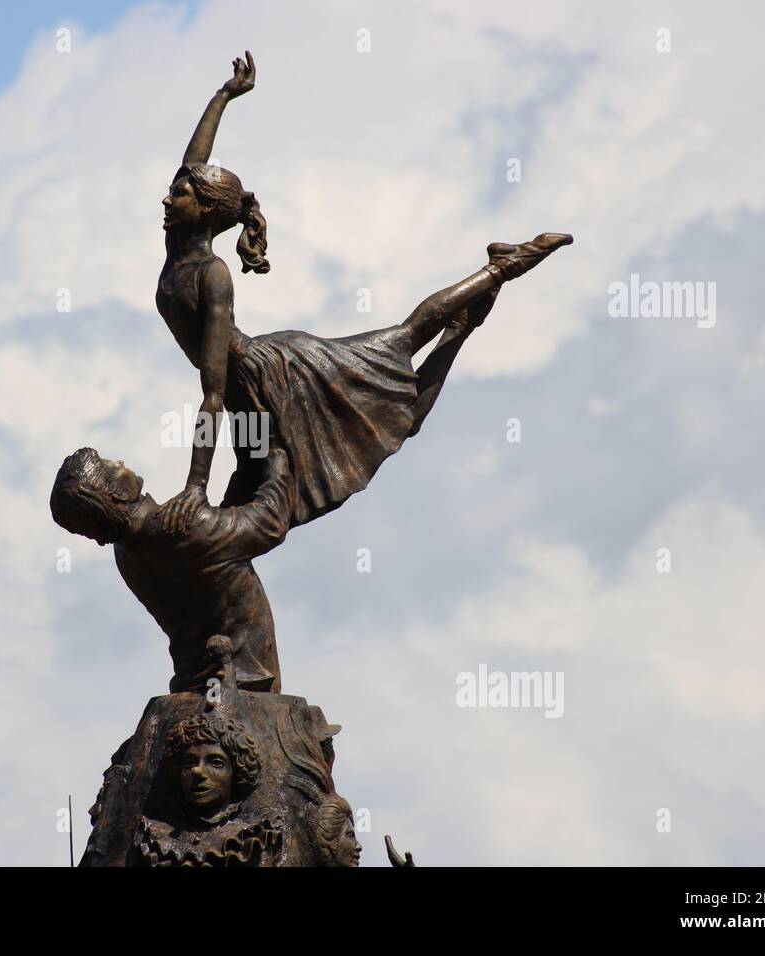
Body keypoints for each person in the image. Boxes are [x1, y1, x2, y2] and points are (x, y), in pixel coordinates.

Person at [154, 51, 572, 534]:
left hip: (274, 379)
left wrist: (195, 486)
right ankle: (460, 329)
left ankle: (504, 266)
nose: (168, 198)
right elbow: (193, 162)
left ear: (206, 209)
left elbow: (212, 391)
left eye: (180, 194)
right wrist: (223, 96)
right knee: (401, 422)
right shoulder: (177, 248)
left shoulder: (212, 273)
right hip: (245, 401)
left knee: (404, 339)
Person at [49, 446, 293, 692]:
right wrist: (278, 464)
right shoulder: (182, 526)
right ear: (117, 494)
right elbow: (271, 522)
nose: (121, 462)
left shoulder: (126, 554)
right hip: (245, 681)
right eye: (111, 465)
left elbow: (217, 551)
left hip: (192, 683)